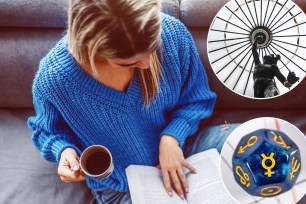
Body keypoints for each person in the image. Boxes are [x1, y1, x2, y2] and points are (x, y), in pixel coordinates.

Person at [27, 0, 237, 203]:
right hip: (121, 185)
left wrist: (172, 137)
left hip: (188, 147)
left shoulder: (172, 34)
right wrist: (64, 151)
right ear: (91, 47)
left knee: (263, 144)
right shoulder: (54, 80)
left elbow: (197, 99)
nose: (146, 65)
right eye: (128, 62)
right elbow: (47, 131)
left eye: (153, 47)